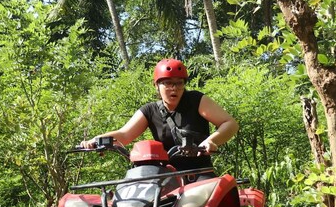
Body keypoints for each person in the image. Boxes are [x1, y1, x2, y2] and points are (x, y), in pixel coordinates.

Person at [81, 58, 239, 172]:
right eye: (168, 83)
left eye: (179, 83)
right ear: (156, 85)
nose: (174, 88)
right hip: (164, 175)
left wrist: (210, 141)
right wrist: (96, 140)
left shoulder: (196, 100)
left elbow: (230, 123)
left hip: (198, 174)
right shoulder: (150, 110)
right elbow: (124, 135)